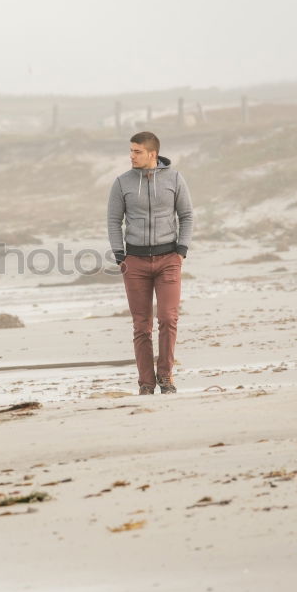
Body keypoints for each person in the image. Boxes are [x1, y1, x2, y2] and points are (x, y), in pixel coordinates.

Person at [106, 131, 194, 395]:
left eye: (137, 151)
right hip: (135, 262)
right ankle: (146, 383)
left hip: (169, 259)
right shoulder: (122, 183)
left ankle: (165, 376)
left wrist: (181, 250)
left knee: (168, 318)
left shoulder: (175, 178)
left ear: (152, 154)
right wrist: (120, 255)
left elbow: (186, 215)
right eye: (131, 151)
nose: (131, 156)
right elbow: (113, 220)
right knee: (141, 325)